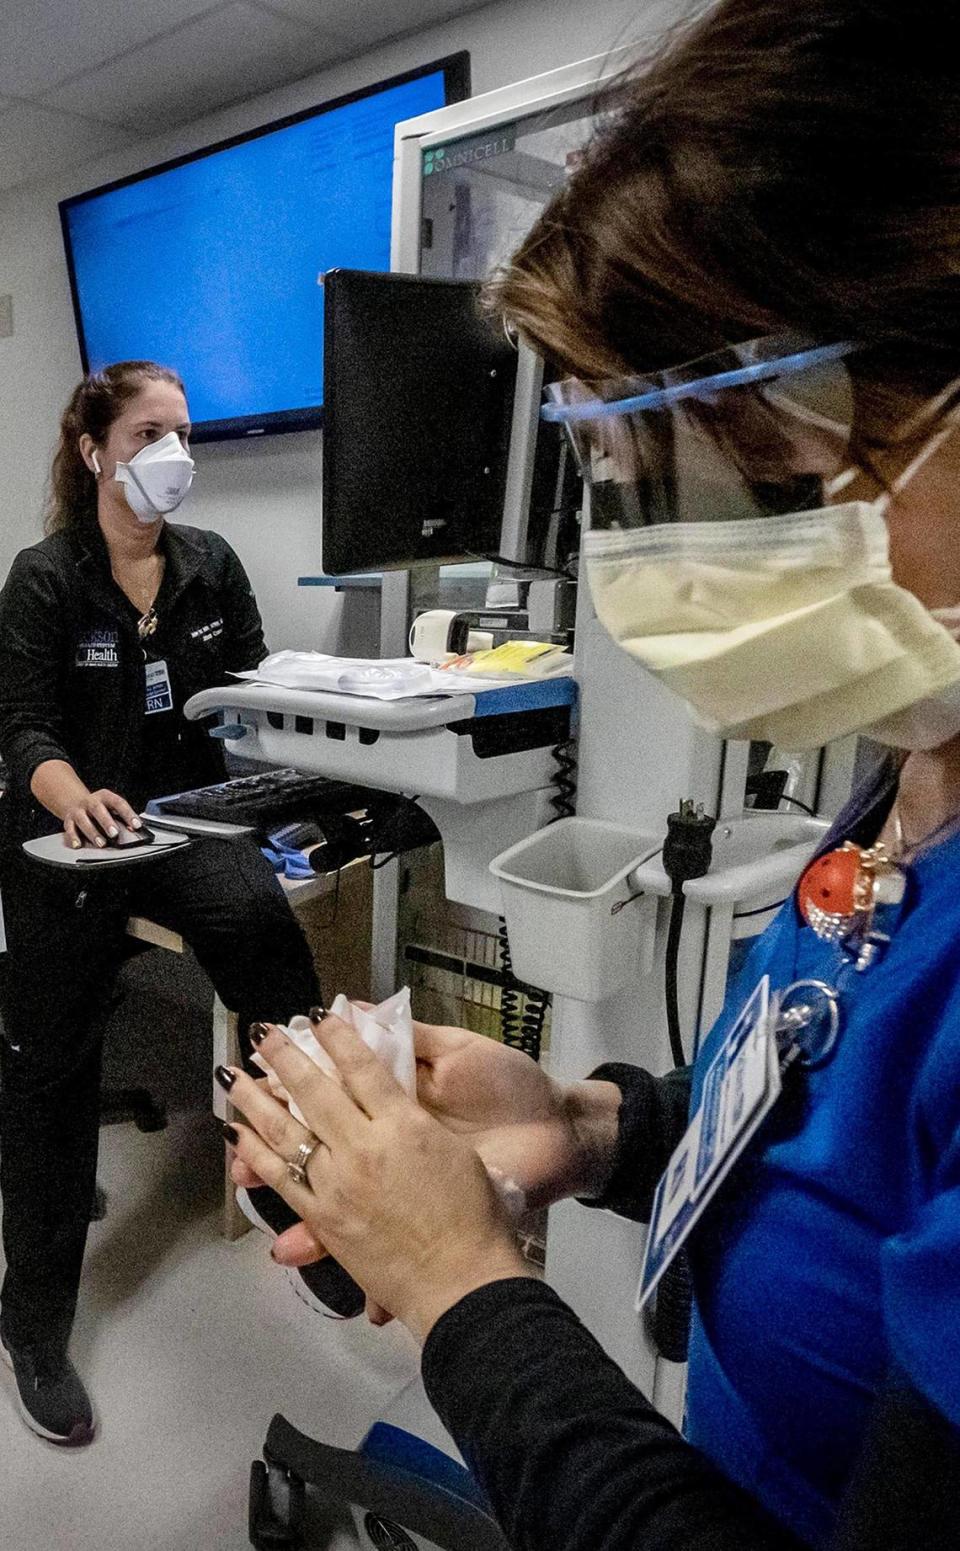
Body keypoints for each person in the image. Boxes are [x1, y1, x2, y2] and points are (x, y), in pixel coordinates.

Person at [220, 3, 960, 1547]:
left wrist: (456, 1285)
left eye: (743, 455)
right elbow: (834, 1126)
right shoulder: (917, 766)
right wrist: (601, 1120)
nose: (691, 550)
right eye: (632, 479)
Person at [0, 361, 361, 1449]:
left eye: (185, 431)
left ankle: (307, 1205)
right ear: (95, 450)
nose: (175, 453)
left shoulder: (210, 565)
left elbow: (243, 698)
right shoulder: (46, 577)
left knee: (274, 964)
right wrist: (71, 795)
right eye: (152, 431)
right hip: (65, 835)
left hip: (183, 825)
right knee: (51, 1072)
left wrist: (301, 733)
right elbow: (19, 727)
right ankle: (35, 1325)